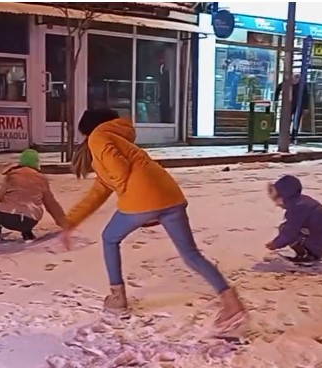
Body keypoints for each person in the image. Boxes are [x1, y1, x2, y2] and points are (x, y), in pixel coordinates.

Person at [60, 109, 246, 334]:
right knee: (191, 254)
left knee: (109, 238)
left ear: (88, 129)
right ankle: (231, 302)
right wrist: (71, 221)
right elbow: (99, 192)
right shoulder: (119, 142)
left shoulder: (99, 137)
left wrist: (126, 193)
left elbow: (119, 171)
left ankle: (117, 299)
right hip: (170, 195)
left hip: (142, 199)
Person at [0, 149, 67, 242]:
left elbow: (2, 196)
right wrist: (63, 222)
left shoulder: (12, 175)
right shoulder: (42, 179)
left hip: (7, 217)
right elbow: (51, 204)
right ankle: (27, 234)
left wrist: (4, 212)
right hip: (29, 220)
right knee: (30, 207)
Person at [265, 175, 322, 262]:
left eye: (276, 199)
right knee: (285, 227)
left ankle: (307, 255)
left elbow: (290, 231)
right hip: (321, 236)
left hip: (320, 239)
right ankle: (310, 252)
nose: (277, 204)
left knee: (285, 229)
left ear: (284, 195)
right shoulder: (300, 201)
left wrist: (276, 243)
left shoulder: (298, 207)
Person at [275, 73, 310, 142]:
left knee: (296, 122)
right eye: (295, 78)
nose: (296, 80)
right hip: (288, 105)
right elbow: (278, 88)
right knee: (287, 121)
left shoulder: (302, 85)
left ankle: (294, 137)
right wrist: (276, 99)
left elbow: (306, 96)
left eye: (297, 79)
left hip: (298, 105)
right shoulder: (287, 83)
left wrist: (306, 107)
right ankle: (285, 135)